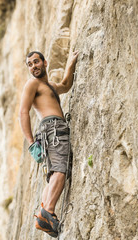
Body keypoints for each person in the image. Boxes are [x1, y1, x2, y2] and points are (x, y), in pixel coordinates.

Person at [19, 50, 79, 237]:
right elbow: (23, 112)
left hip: (54, 129)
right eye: (30, 64)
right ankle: (48, 213)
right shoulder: (32, 84)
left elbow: (65, 85)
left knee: (54, 172)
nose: (33, 66)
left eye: (36, 62)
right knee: (60, 169)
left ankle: (43, 212)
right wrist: (30, 142)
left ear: (45, 63)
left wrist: (70, 63)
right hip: (52, 128)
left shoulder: (50, 85)